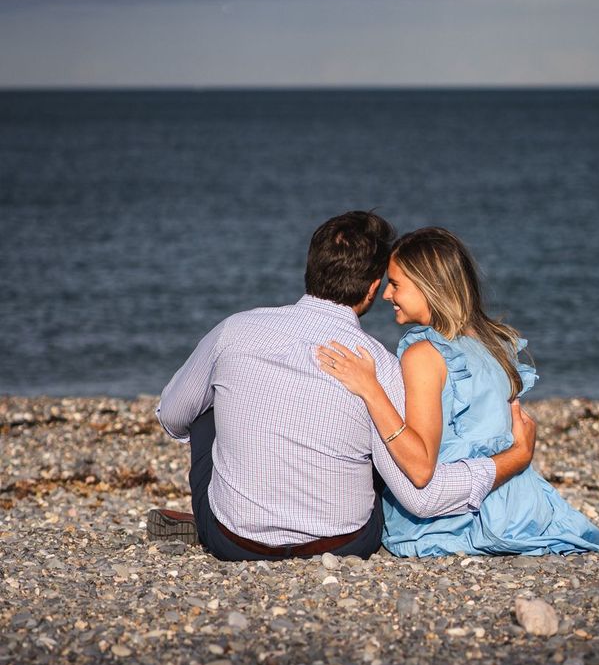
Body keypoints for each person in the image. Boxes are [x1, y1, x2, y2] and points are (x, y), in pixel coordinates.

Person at [149, 212, 537, 561]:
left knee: (205, 407)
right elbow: (421, 493)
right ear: (371, 288)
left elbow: (171, 415)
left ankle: (241, 507)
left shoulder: (234, 330)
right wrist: (513, 459)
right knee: (379, 444)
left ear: (311, 266)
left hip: (235, 541)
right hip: (342, 543)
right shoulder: (378, 363)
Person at [317, 226, 599, 558]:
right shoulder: (492, 342)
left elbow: (422, 465)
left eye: (396, 284)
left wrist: (370, 389)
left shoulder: (424, 355)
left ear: (428, 288)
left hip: (455, 515)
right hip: (517, 503)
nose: (385, 295)